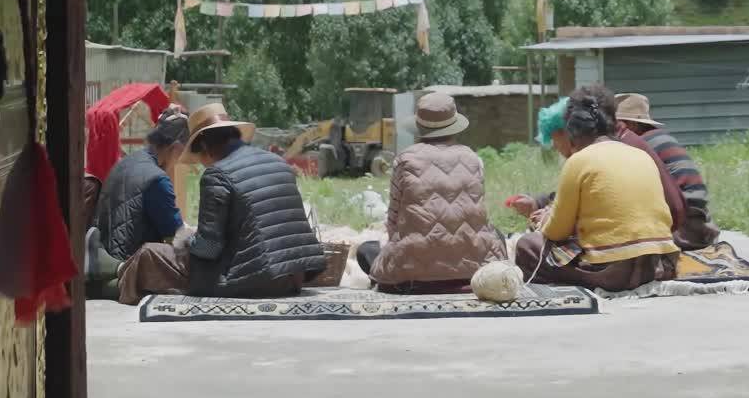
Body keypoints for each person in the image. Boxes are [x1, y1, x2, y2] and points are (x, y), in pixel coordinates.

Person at [116, 102, 325, 305]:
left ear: (205, 146)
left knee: (149, 254)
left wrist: (187, 241)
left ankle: (111, 277)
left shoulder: (217, 174)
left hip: (258, 279)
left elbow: (209, 249)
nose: (200, 163)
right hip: (294, 275)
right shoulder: (278, 162)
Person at [511, 89, 678, 292]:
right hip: (657, 266)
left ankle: (584, 282)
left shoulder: (578, 161)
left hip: (612, 273)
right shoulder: (641, 156)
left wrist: (543, 220)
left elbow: (557, 231)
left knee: (528, 246)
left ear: (572, 134)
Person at [355, 92, 507, 293]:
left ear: (419, 128)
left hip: (412, 276)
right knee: (497, 236)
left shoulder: (405, 160)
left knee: (366, 250)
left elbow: (393, 221)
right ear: (454, 127)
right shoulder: (473, 159)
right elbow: (477, 216)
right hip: (472, 273)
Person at [506, 85, 683, 235]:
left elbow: (560, 229)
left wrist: (547, 220)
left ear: (569, 130)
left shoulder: (595, 155)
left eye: (555, 138)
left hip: (626, 251)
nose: (555, 147)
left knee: (529, 247)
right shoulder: (635, 150)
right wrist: (540, 204)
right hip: (657, 249)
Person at [85, 106, 191, 295]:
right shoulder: (157, 179)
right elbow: (175, 236)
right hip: (130, 262)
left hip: (106, 250)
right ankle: (117, 280)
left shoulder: (125, 162)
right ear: (176, 148)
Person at [615, 92, 720, 249]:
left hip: (683, 230)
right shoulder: (660, 138)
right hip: (703, 226)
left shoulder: (640, 145)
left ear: (632, 125)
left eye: (617, 125)